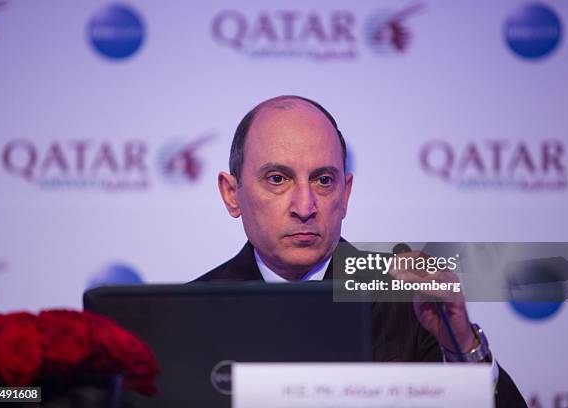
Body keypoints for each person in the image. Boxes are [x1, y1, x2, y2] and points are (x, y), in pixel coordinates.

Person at [195, 95, 526, 407]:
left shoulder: (407, 301)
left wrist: (463, 347)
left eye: (323, 180)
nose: (305, 206)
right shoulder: (190, 313)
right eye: (278, 178)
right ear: (231, 194)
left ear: (346, 194)